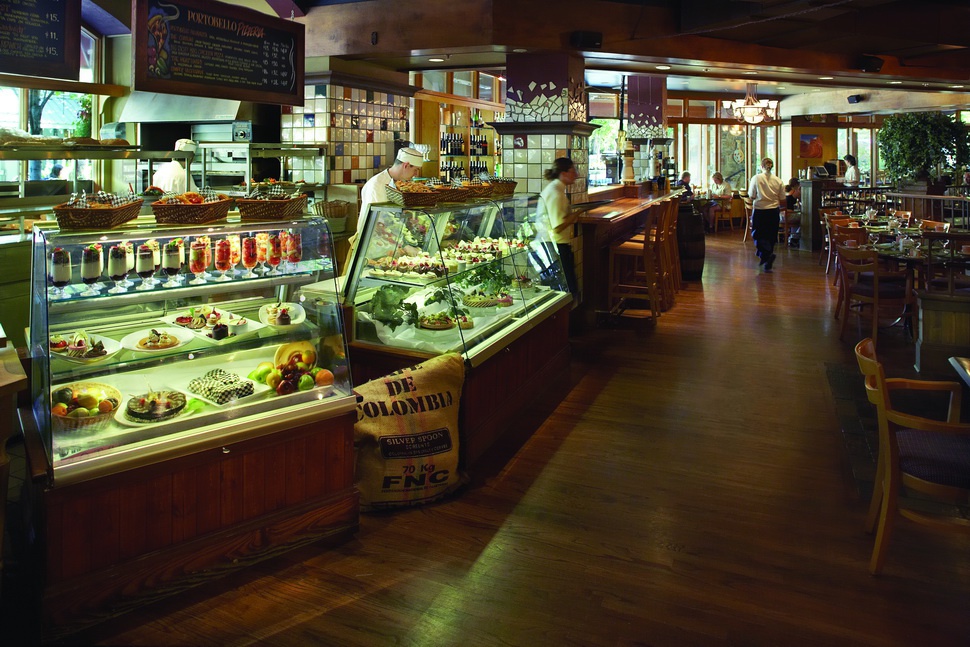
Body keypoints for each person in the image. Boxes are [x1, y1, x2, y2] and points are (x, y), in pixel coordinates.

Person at [346, 146, 425, 264]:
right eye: (415, 170)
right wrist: (404, 245)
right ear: (406, 165)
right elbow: (380, 222)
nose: (416, 174)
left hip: (391, 248)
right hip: (372, 249)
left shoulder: (401, 184)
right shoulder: (376, 185)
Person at [536, 157, 579, 300]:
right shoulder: (555, 193)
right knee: (565, 291)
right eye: (573, 171)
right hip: (554, 246)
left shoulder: (557, 189)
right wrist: (576, 214)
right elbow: (558, 226)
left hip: (552, 244)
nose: (576, 174)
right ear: (563, 173)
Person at [748, 157, 787, 272]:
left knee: (757, 234)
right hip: (773, 211)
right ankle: (767, 258)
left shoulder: (756, 178)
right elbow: (782, 198)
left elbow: (751, 195)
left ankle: (766, 255)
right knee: (771, 235)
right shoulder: (778, 180)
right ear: (772, 167)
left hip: (760, 210)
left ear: (761, 166)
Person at [784, 177, 802, 246]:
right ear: (796, 186)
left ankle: (794, 237)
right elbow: (789, 211)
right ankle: (794, 237)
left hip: (782, 215)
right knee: (806, 218)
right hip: (787, 215)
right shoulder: (793, 193)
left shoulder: (787, 193)